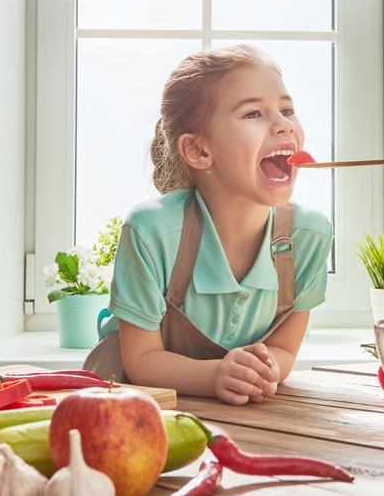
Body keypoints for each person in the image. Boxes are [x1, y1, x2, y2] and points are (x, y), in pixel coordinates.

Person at [84, 44, 333, 405]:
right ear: (199, 151)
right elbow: (140, 361)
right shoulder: (152, 232)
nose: (284, 125)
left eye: (287, 109)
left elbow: (283, 350)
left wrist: (261, 372)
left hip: (235, 417)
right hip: (133, 408)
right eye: (253, 114)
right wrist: (219, 374)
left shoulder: (308, 236)